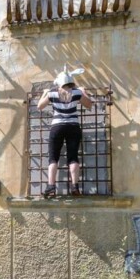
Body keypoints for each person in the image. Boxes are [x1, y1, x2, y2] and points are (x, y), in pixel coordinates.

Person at [37, 67, 94, 197]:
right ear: (70, 82)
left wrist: (44, 93)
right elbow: (89, 105)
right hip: (73, 127)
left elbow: (39, 106)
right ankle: (75, 187)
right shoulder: (76, 93)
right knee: (73, 157)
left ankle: (51, 187)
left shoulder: (52, 93)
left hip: (57, 127)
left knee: (53, 158)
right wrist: (83, 91)